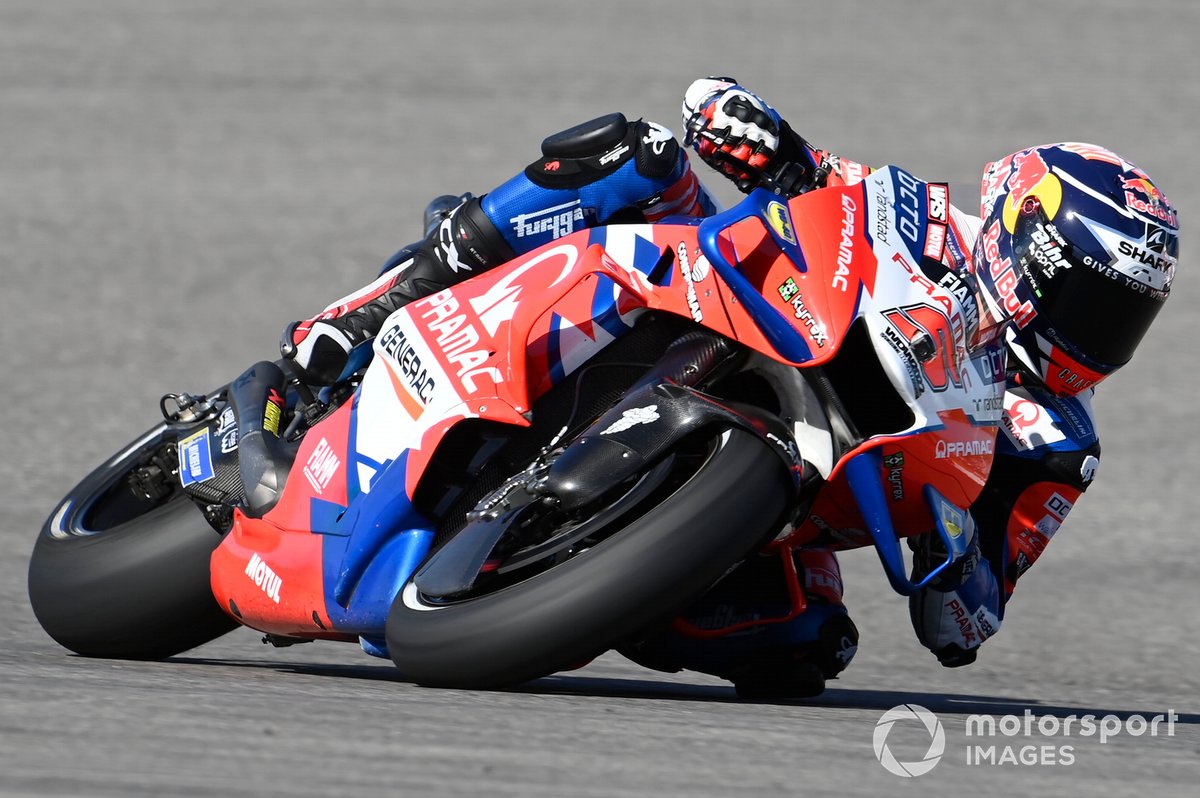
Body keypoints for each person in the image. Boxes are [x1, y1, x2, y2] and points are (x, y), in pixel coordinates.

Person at [281, 78, 1178, 697]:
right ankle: (380, 306)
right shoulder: (932, 219)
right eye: (1091, 302)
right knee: (639, 155)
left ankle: (573, 588)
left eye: (1124, 317)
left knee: (807, 647)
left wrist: (958, 560)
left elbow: (966, 628)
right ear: (1027, 243)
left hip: (791, 511)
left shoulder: (1059, 444)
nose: (1098, 336)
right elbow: (805, 167)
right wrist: (759, 138)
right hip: (727, 311)